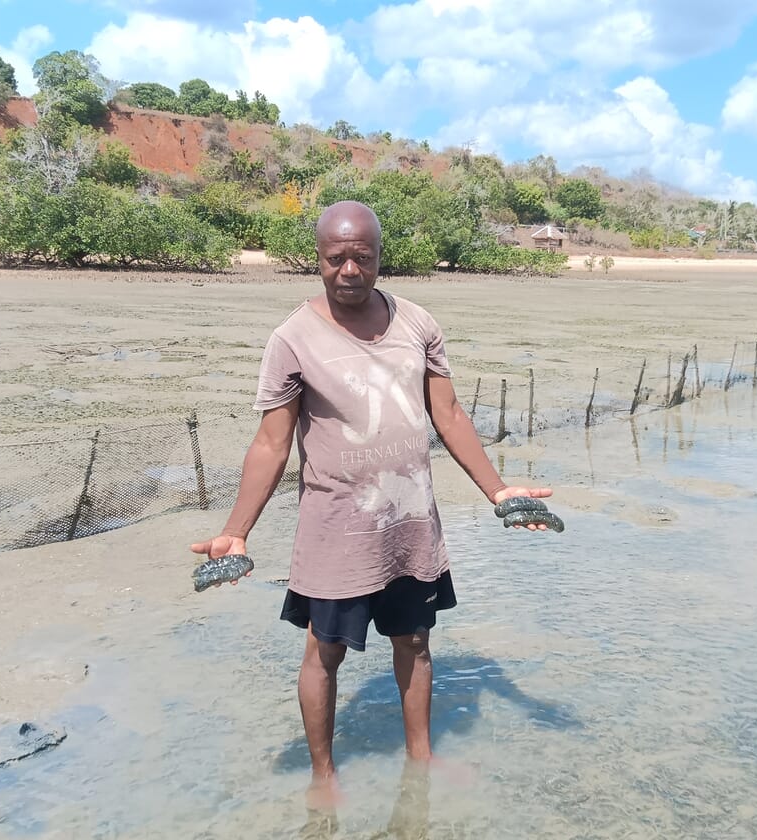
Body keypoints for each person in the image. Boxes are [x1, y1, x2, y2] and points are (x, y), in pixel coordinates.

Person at [190, 199, 553, 807]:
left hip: (411, 522)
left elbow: (449, 414)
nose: (350, 271)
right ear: (318, 259)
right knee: (323, 651)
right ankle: (324, 777)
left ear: (381, 256)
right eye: (337, 259)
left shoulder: (417, 323)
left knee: (414, 641)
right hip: (338, 527)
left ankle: (421, 765)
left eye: (363, 257)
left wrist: (499, 490)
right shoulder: (293, 339)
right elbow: (272, 443)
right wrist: (236, 530)